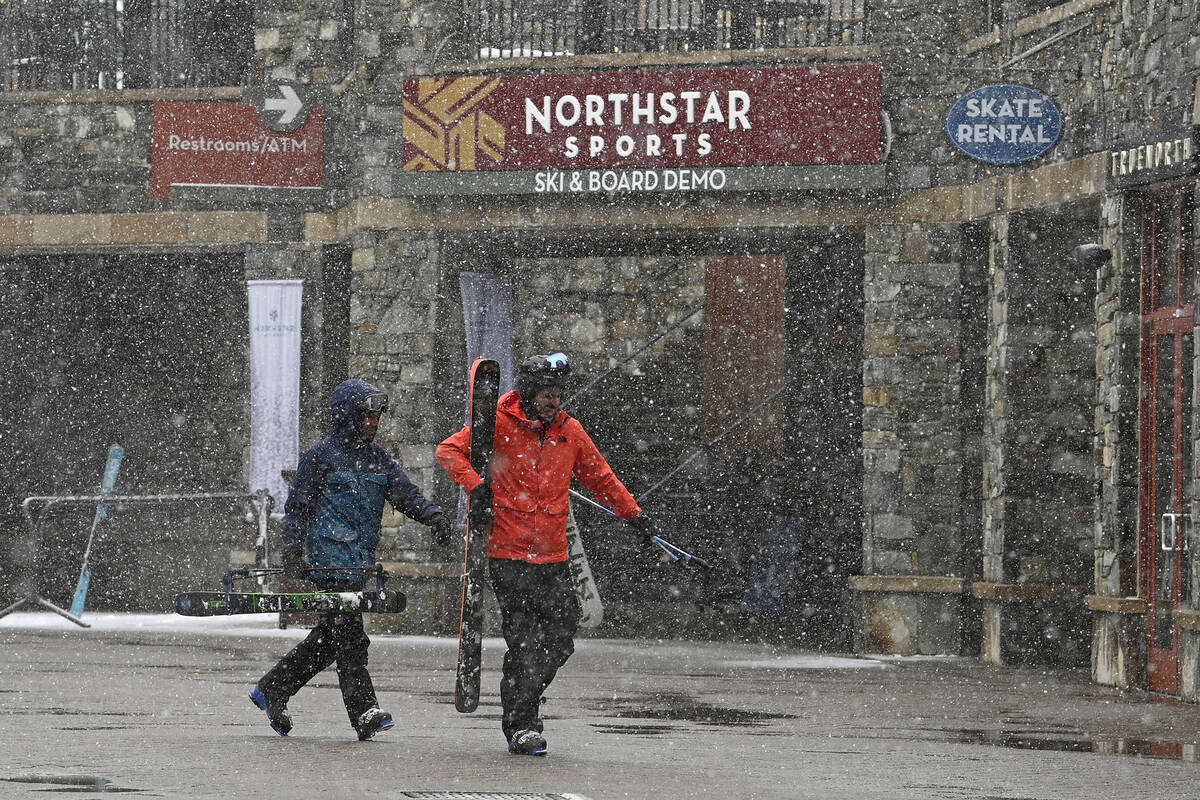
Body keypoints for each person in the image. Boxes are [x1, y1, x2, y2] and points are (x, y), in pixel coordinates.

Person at [436, 352, 652, 755]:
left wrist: (634, 515)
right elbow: (448, 451)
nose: (554, 402)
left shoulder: (570, 433)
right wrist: (476, 487)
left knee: (560, 636)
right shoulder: (497, 423)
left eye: (558, 394)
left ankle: (523, 700)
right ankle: (522, 725)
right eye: (547, 395)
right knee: (522, 641)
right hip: (508, 552)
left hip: (552, 558)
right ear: (530, 394)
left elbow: (601, 478)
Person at [250, 378, 450, 741]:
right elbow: (298, 508)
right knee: (351, 637)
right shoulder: (321, 457)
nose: (374, 424)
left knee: (331, 637)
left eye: (377, 417)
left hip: (356, 562)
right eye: (367, 417)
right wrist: (293, 551)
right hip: (327, 560)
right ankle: (364, 711)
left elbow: (405, 493)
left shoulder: (379, 460)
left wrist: (434, 516)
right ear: (347, 416)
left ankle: (273, 688)